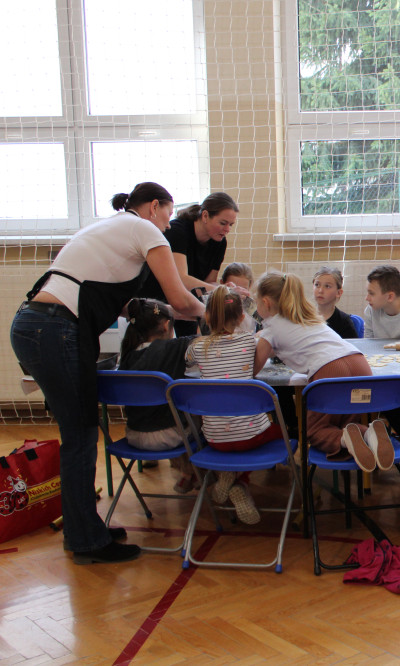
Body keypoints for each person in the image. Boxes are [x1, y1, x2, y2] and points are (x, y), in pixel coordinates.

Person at [10, 181, 205, 564]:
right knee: (80, 436)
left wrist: (170, 307)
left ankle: (84, 529)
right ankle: (86, 541)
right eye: (168, 214)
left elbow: (132, 304)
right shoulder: (144, 228)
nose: (168, 225)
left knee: (79, 435)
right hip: (54, 329)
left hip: (37, 325)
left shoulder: (108, 229)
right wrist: (212, 312)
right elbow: (180, 298)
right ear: (153, 207)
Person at [252, 272, 395, 473]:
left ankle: (344, 439)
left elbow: (253, 368)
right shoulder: (309, 317)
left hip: (330, 370)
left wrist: (257, 343)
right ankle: (369, 433)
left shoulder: (271, 330)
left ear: (266, 303)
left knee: (313, 431)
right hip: (359, 364)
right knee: (347, 420)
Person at [186, 286, 281, 525]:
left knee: (233, 432)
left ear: (207, 316)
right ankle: (240, 481)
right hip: (251, 436)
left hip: (215, 439)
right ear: (241, 317)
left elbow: (188, 364)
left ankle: (232, 476)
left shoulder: (196, 347)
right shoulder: (249, 341)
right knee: (281, 431)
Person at [117, 298, 199, 493]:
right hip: (167, 437)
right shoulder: (175, 347)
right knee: (200, 409)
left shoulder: (127, 357)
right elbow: (208, 340)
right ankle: (197, 472)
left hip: (133, 436)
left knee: (171, 412)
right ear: (166, 325)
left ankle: (188, 474)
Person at [139, 192, 239, 335]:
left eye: (231, 225)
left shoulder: (219, 242)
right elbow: (181, 279)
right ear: (205, 216)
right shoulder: (177, 231)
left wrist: (226, 290)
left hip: (185, 302)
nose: (227, 229)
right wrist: (221, 291)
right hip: (155, 301)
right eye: (223, 223)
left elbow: (208, 283)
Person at [313, 266, 359, 339]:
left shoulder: (344, 322)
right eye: (317, 285)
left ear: (339, 293)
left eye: (327, 286)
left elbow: (352, 345)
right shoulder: (303, 317)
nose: (320, 290)